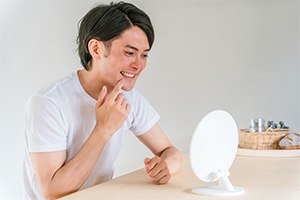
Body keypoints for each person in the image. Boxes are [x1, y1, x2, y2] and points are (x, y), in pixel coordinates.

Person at [23, 1, 181, 199]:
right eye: (130, 53)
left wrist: (167, 166)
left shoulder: (128, 98)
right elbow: (53, 191)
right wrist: (104, 129)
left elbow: (170, 151)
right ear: (96, 49)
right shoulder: (48, 104)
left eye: (144, 55)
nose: (139, 65)